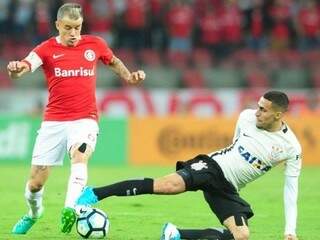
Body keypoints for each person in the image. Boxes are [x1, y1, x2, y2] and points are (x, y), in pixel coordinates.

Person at [77, 91, 301, 240]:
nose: (257, 112)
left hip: (228, 188)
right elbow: (235, 144)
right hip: (212, 167)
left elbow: (291, 189)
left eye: (263, 109)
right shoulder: (246, 117)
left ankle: (175, 234)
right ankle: (94, 193)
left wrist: (290, 231)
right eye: (258, 106)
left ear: (278, 114)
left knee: (241, 235)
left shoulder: (291, 147)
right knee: (165, 186)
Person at [7, 3, 145, 235]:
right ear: (58, 25)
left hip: (85, 118)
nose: (73, 34)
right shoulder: (46, 49)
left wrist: (129, 76)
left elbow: (113, 61)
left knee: (80, 155)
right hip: (54, 121)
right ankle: (34, 213)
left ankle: (70, 208)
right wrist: (14, 68)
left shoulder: (95, 44)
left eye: (77, 28)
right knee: (35, 183)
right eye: (68, 28)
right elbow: (24, 67)